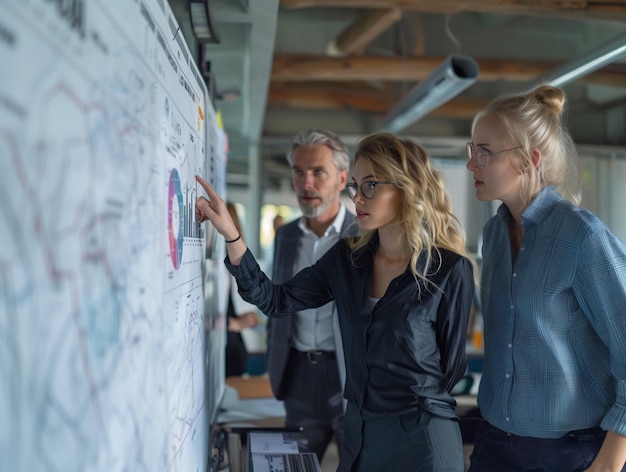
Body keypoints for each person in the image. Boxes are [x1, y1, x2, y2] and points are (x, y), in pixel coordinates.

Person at [195, 132, 475, 472]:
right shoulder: (348, 259)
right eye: (356, 186)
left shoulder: (449, 270)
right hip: (361, 429)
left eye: (370, 185)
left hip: (422, 436)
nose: (357, 197)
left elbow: (449, 370)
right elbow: (275, 300)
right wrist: (232, 235)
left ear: (406, 187)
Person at [466, 84, 626, 471]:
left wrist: (609, 462)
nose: (472, 164)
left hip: (571, 453)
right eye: (471, 152)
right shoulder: (494, 235)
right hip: (495, 443)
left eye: (484, 153)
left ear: (529, 160)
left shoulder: (583, 236)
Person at [268, 129, 356, 463]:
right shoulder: (286, 236)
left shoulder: (363, 235)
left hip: (351, 375)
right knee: (295, 467)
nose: (306, 183)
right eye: (299, 172)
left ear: (342, 178)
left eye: (318, 172)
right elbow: (279, 302)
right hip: (299, 376)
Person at [225, 202, 260, 377]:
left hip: (233, 346)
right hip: (225, 342)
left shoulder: (234, 260)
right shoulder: (213, 261)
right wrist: (235, 323)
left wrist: (243, 320)